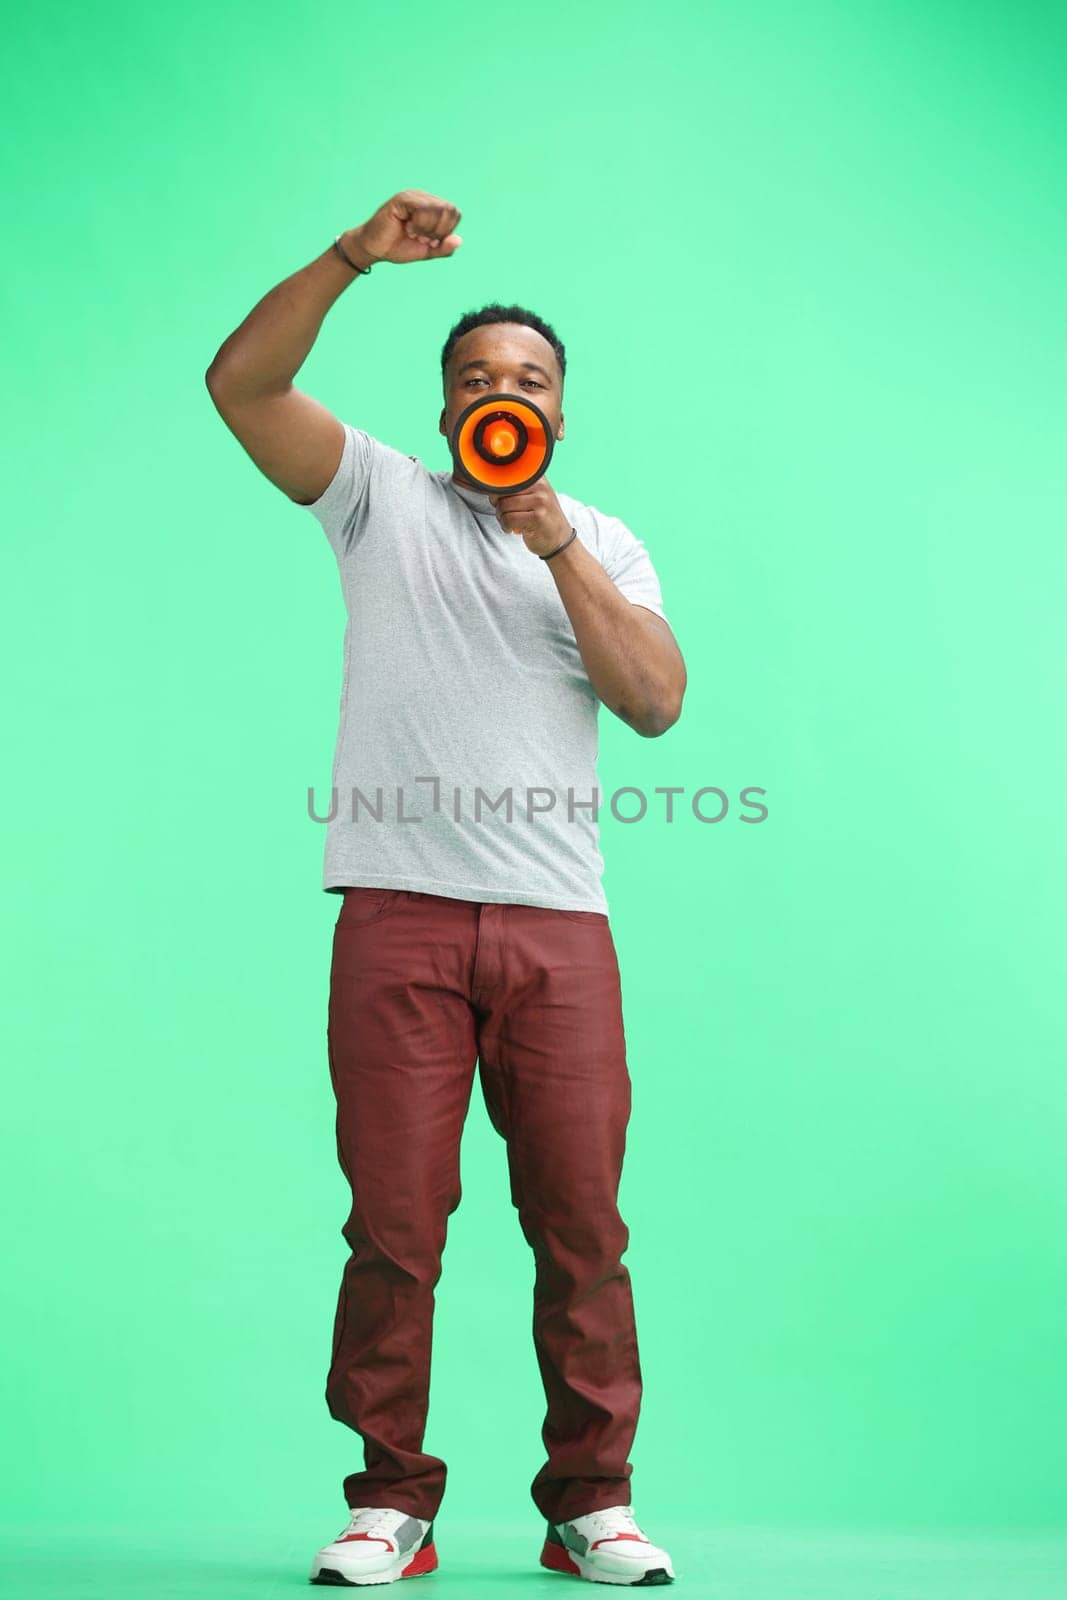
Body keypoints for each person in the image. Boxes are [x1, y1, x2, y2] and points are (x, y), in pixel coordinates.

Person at [205, 189, 687, 1588]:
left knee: (582, 1225)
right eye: (476, 378)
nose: (502, 395)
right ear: (443, 403)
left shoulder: (605, 541)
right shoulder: (379, 502)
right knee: (396, 1226)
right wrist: (355, 254)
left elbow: (655, 703)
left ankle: (590, 1506)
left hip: (557, 932)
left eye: (527, 381)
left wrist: (556, 546)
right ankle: (391, 1506)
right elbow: (243, 385)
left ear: (560, 409)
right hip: (397, 916)